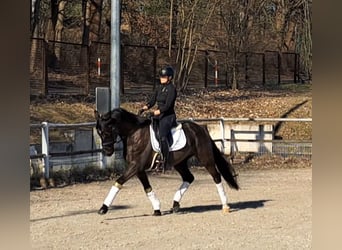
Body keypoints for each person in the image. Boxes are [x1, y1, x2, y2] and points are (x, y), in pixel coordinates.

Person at [140, 66, 177, 170]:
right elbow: (152, 100)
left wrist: (156, 112)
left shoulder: (172, 89)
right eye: (161, 76)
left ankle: (166, 160)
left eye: (164, 77)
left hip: (168, 116)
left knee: (162, 136)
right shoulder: (159, 88)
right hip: (158, 115)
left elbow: (168, 106)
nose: (161, 78)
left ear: (169, 78)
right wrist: (145, 107)